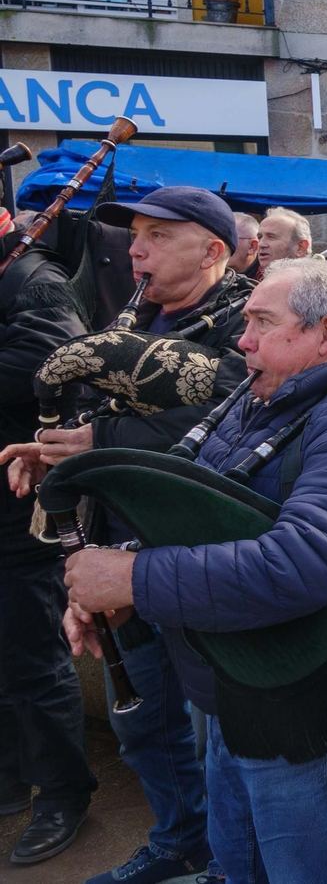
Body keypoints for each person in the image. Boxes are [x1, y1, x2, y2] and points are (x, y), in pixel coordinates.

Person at [61, 258, 327, 883]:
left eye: (261, 323)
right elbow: (188, 515)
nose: (241, 340)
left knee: (310, 873)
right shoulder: (257, 401)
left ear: (326, 335)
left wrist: (133, 580)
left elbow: (304, 563)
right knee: (238, 860)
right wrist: (124, 577)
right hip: (233, 679)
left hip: (306, 695)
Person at [5, 186, 252, 884]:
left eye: (157, 235)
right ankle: (181, 840)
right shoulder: (134, 312)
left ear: (212, 249)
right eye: (134, 233)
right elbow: (87, 412)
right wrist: (51, 454)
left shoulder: (248, 316)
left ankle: (233, 861)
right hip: (112, 552)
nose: (135, 246)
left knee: (220, 732)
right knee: (141, 726)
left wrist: (97, 438)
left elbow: (235, 414)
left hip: (195, 554)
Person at [0, 226, 96, 866]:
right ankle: (12, 774)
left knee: (32, 653)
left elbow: (55, 366)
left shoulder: (35, 280)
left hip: (18, 497)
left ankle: (64, 791)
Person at [229, 213, 261, 279]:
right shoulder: (208, 273)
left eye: (228, 239)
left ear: (252, 246)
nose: (220, 245)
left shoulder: (268, 280)